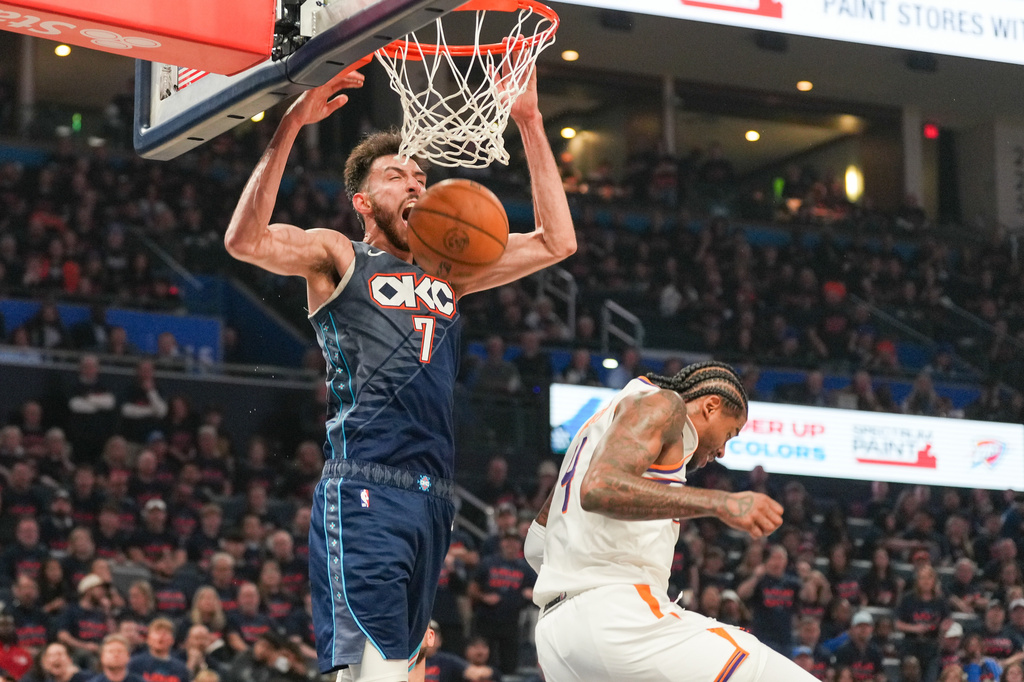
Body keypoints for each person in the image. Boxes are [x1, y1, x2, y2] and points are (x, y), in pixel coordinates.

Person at [223, 58, 574, 682]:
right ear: (362, 201)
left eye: (421, 175)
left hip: (434, 496)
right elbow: (245, 241)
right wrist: (289, 125)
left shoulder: (451, 273)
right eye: (396, 176)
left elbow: (556, 242)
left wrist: (529, 120)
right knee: (370, 671)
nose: (415, 183)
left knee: (392, 671)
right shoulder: (339, 255)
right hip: (366, 483)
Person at [527, 362, 812, 681]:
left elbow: (535, 545)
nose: (721, 451)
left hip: (556, 636)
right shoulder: (664, 403)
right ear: (710, 406)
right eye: (729, 434)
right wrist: (721, 502)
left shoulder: (599, 431)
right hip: (614, 617)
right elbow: (600, 488)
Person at [127, 618, 190, 682]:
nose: (161, 637)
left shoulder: (181, 669)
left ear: (172, 640)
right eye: (157, 633)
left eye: (165, 633)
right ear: (148, 639)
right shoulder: (135, 664)